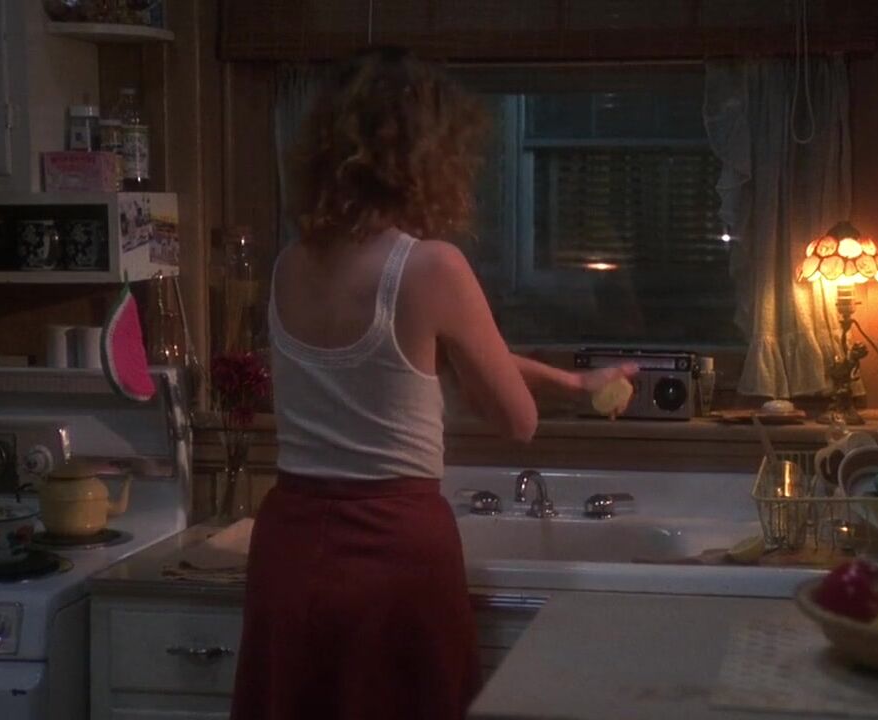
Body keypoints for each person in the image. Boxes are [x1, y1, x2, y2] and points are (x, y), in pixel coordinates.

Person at [230, 46, 637, 720]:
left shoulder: (291, 264)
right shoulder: (430, 267)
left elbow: (407, 361)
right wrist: (533, 393)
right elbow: (515, 420)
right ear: (428, 157)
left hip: (291, 543)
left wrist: (571, 381)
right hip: (391, 551)